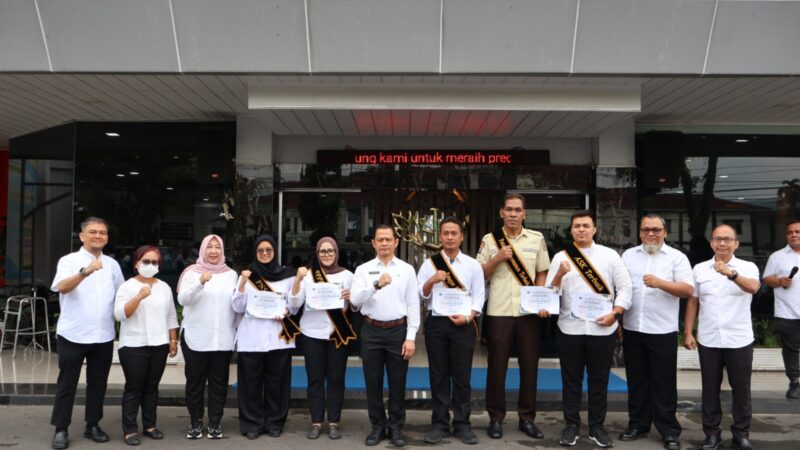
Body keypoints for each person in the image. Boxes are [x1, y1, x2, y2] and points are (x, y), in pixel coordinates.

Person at [544, 210, 632, 448]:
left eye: (585, 225)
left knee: (599, 380)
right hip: (569, 329)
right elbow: (550, 293)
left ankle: (597, 427)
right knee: (570, 381)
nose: (581, 229)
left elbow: (625, 288)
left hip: (603, 329)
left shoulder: (609, 256)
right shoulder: (561, 257)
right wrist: (560, 274)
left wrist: (616, 313)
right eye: (577, 226)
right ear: (571, 230)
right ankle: (571, 425)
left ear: (594, 229)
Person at [475, 193, 550, 440]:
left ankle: (527, 418)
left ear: (524, 214)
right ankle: (496, 418)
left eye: (518, 210)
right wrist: (497, 258)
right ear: (502, 213)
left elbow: (542, 271)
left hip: (528, 313)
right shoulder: (490, 240)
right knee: (497, 367)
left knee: (529, 366)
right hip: (499, 311)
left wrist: (539, 298)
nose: (513, 214)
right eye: (509, 209)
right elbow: (479, 274)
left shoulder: (536, 239)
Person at [620, 214, 694, 450]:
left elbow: (687, 290)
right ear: (639, 232)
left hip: (662, 329)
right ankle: (638, 424)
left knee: (663, 382)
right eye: (645, 229)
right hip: (633, 327)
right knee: (636, 380)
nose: (650, 234)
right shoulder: (628, 255)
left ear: (665, 232)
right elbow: (621, 289)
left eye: (656, 229)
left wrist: (660, 283)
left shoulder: (677, 257)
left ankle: (669, 430)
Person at [49, 217, 124, 450]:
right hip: (73, 333)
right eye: (93, 232)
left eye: (102, 232)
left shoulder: (112, 265)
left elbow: (122, 294)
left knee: (98, 383)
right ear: (82, 236)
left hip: (103, 334)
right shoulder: (69, 261)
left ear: (107, 238)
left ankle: (93, 424)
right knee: (67, 383)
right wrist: (85, 272)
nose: (98, 236)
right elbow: (61, 287)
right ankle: (61, 428)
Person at [684, 224, 760, 450]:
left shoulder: (747, 267)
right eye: (717, 239)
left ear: (736, 243)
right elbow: (693, 302)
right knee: (710, 389)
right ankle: (711, 434)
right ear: (711, 243)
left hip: (739, 339)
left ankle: (741, 434)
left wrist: (731, 274)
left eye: (727, 239)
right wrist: (688, 332)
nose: (722, 243)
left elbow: (753, 288)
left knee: (741, 389)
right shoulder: (700, 269)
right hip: (709, 338)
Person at [417, 217, 485, 445]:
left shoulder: (472, 265)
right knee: (438, 375)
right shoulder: (430, 264)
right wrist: (432, 280)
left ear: (461, 237)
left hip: (463, 324)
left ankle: (462, 423)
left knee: (462, 376)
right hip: (437, 323)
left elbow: (479, 296)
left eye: (454, 233)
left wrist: (469, 317)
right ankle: (439, 423)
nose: (449, 237)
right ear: (440, 236)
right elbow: (421, 294)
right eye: (445, 233)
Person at [351, 225, 419, 447]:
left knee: (398, 381)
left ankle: (396, 426)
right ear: (373, 243)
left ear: (396, 242)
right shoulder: (363, 270)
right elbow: (354, 301)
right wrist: (376, 285)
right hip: (371, 329)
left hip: (398, 330)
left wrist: (410, 337)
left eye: (388, 239)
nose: (384, 243)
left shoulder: (407, 270)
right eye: (379, 239)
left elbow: (413, 305)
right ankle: (378, 425)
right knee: (373, 381)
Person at [231, 234, 299, 439]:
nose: (264, 253)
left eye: (268, 250)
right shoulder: (247, 275)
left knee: (277, 384)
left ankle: (274, 422)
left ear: (275, 252)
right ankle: (251, 423)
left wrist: (287, 310)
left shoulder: (288, 276)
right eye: (260, 250)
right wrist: (242, 283)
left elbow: (295, 305)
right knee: (250, 385)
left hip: (278, 338)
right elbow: (237, 306)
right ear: (255, 253)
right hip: (251, 338)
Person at [289, 237, 356, 440]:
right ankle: (316, 422)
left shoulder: (348, 275)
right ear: (317, 254)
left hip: (337, 334)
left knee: (336, 379)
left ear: (336, 253)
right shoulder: (308, 276)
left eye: (330, 251)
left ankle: (334, 422)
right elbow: (294, 305)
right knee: (315, 379)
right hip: (312, 334)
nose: (327, 255)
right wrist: (297, 280)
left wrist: (351, 297)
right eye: (322, 251)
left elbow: (356, 305)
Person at [114, 245, 179, 445]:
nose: (150, 265)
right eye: (146, 261)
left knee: (152, 387)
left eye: (154, 262)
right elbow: (120, 314)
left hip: (159, 344)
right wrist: (139, 297)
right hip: (134, 344)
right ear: (136, 263)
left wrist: (173, 339)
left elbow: (171, 315)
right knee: (134, 388)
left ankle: (150, 425)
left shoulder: (164, 287)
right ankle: (130, 429)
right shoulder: (127, 286)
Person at [177, 234, 238, 439]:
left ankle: (214, 423)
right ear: (203, 250)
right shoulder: (192, 272)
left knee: (219, 383)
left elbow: (236, 305)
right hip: (196, 336)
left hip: (222, 338)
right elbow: (183, 299)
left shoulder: (231, 275)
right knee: (195, 383)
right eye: (209, 247)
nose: (213, 251)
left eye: (217, 247)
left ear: (223, 250)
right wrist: (200, 282)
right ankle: (195, 422)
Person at [763, 220, 800, 399]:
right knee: (791, 349)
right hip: (787, 311)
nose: (794, 235)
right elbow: (766, 279)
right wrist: (779, 281)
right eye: (790, 232)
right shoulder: (777, 257)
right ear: (786, 236)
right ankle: (794, 383)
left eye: (797, 231)